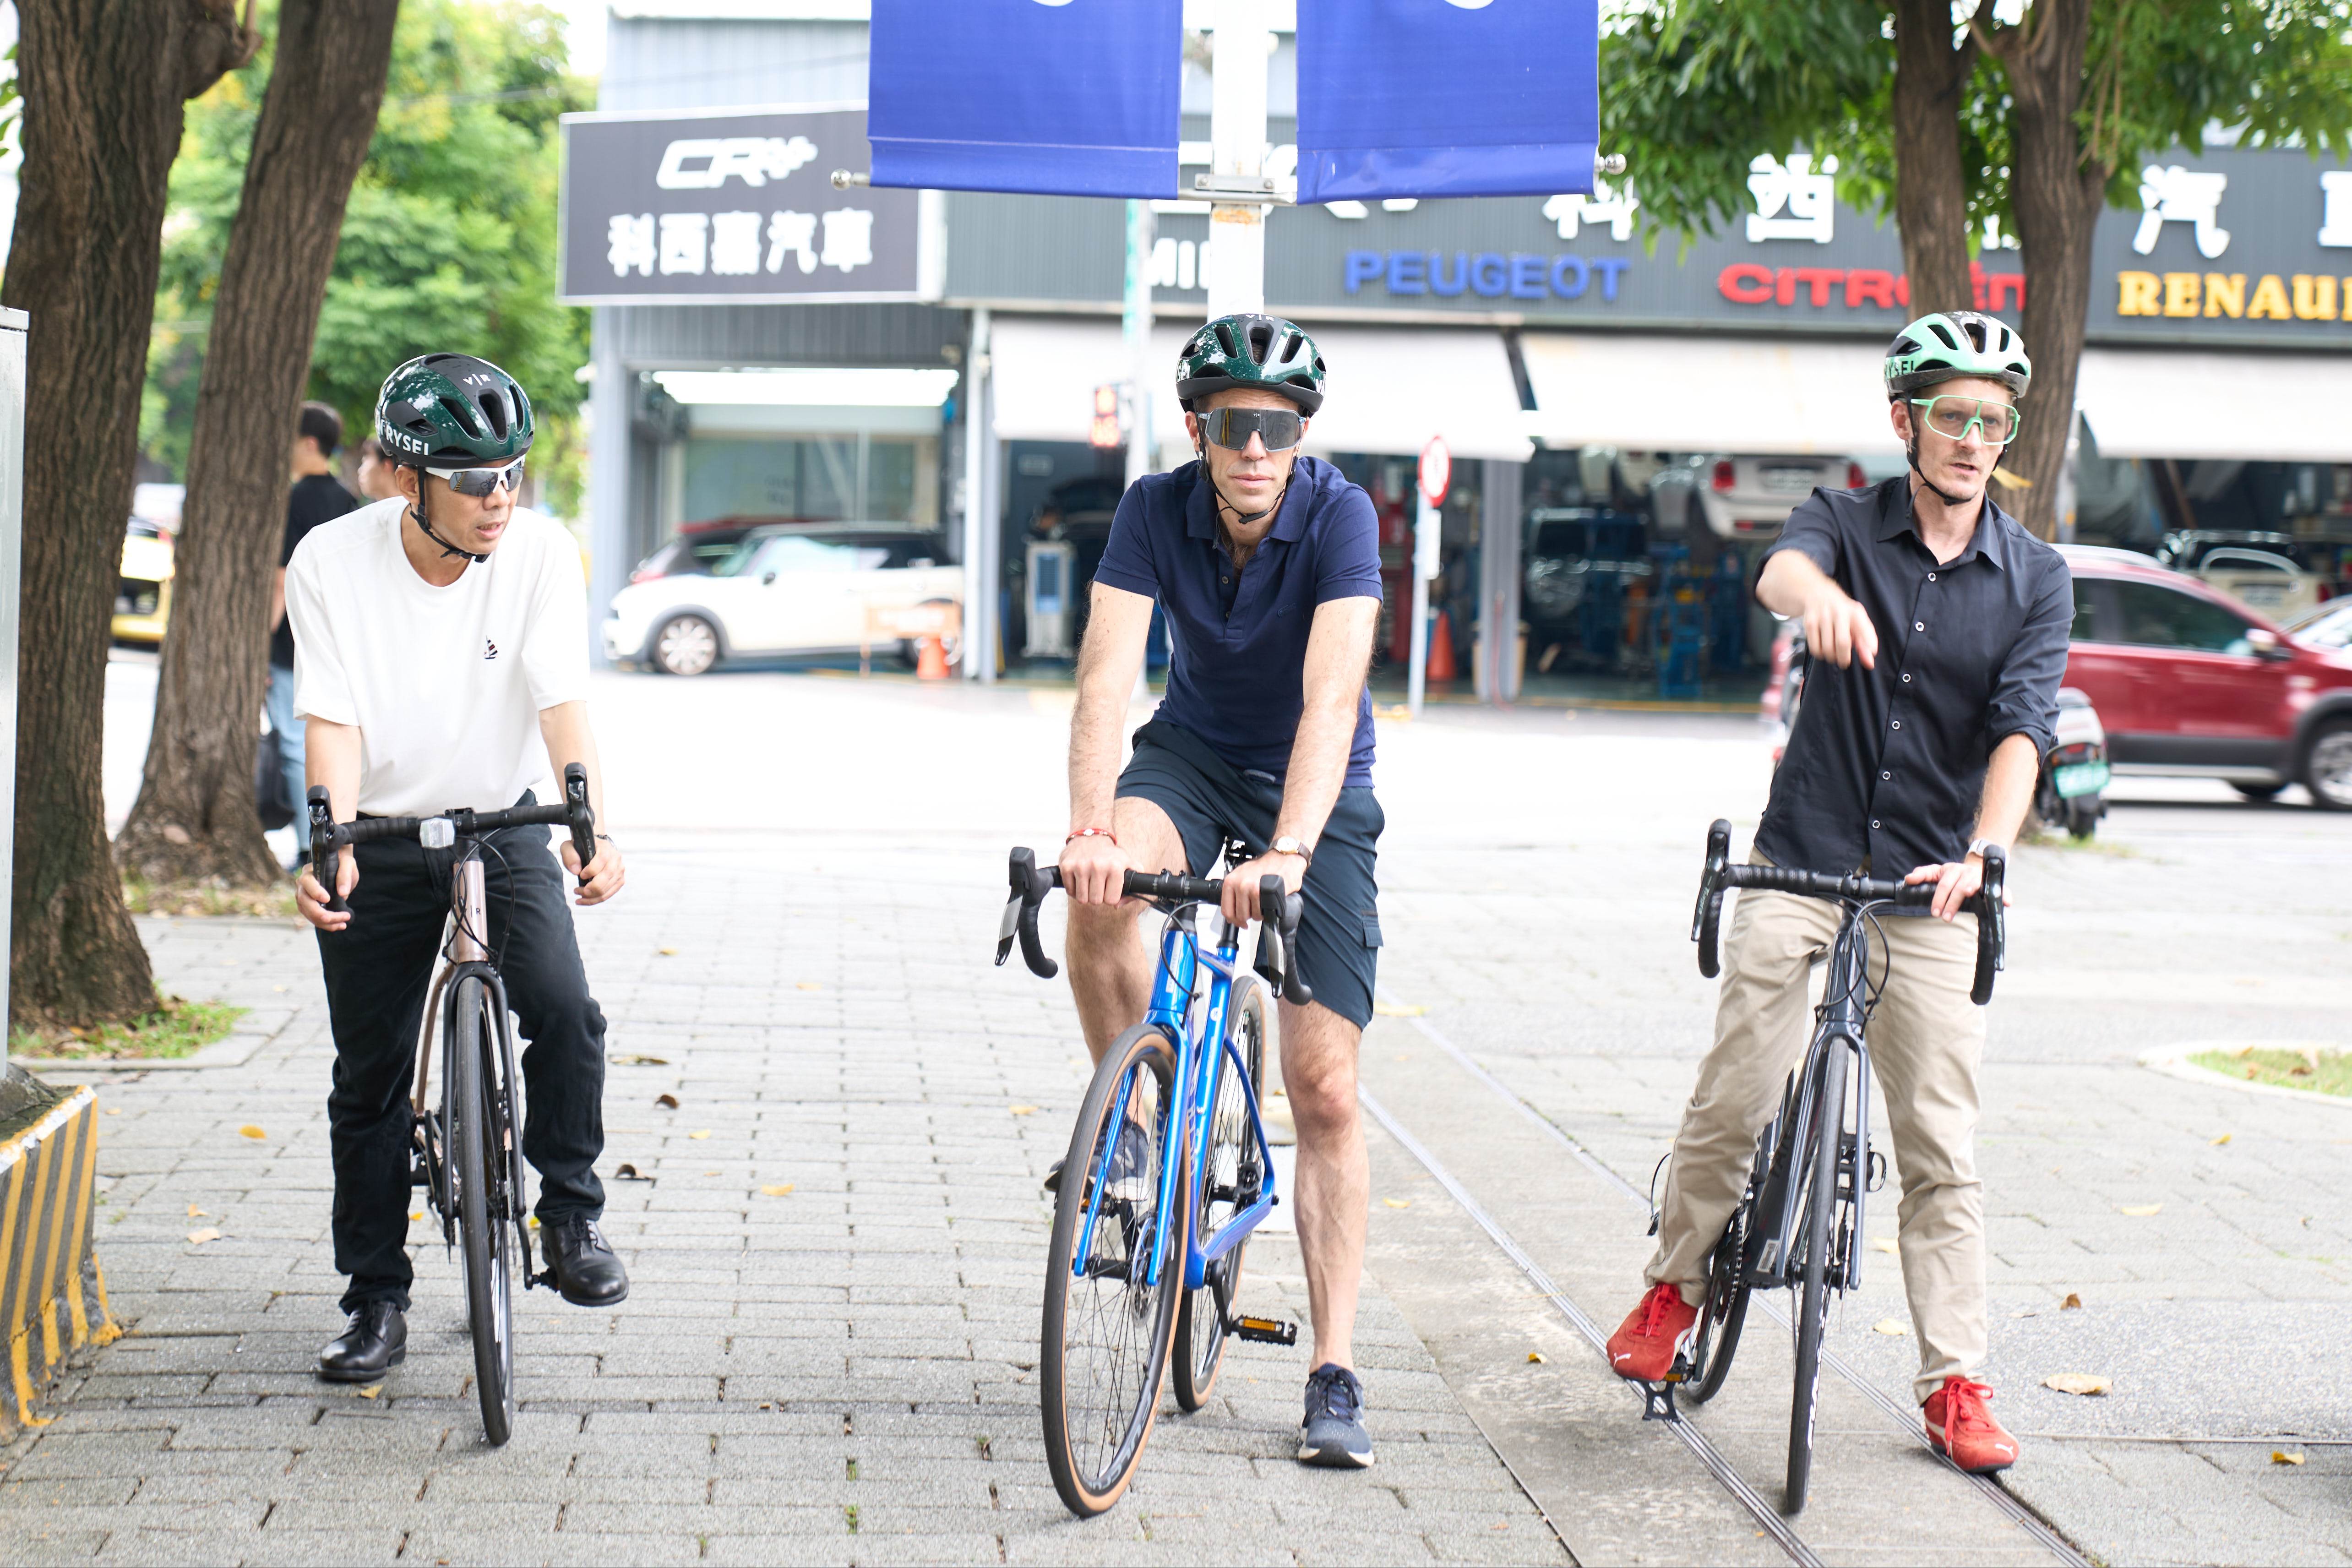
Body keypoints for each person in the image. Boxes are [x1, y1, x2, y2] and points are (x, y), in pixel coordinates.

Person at [1603, 311, 2071, 1475]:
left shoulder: (2034, 577)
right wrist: (1810, 594)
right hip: (1800, 855)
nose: (1971, 438)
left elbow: (2020, 731)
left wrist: (1981, 852)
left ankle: (1954, 1381)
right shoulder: (1840, 521)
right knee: (1738, 1083)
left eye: (1991, 420)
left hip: (1926, 883)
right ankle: (1673, 1291)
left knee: (1938, 1141)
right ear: (1903, 420)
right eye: (1951, 416)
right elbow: (1776, 570)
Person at [1057, 314, 1387, 1468]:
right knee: (1096, 896)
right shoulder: (1154, 507)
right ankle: (1137, 1128)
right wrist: (1093, 827)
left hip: (1314, 790)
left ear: (1302, 433)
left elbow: (1331, 698)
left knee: (1324, 1086)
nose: (1256, 447)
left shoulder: (1339, 514)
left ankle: (1332, 1366)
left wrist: (1288, 852)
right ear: (1197, 426)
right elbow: (1106, 671)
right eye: (1235, 424)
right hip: (1190, 756)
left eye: (1280, 426)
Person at [286, 353, 630, 1383]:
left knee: (566, 1008)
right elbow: (330, 723)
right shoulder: (329, 563)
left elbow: (563, 704)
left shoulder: (539, 554)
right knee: (372, 1074)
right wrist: (329, 844)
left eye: (513, 472)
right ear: (405, 476)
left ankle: (569, 1217)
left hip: (504, 820)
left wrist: (591, 826)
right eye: (475, 477)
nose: (500, 497)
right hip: (382, 830)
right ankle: (375, 1298)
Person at [267, 402, 359, 852]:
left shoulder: (298, 497)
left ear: (308, 443)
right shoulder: (347, 500)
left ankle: (310, 846)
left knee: (291, 742)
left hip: (292, 644)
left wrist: (264, 641)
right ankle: (333, 836)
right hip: (339, 641)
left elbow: (283, 577)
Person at [353, 436, 401, 502]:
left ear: (386, 466)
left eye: (365, 462)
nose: (360, 471)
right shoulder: (373, 511)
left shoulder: (414, 509)